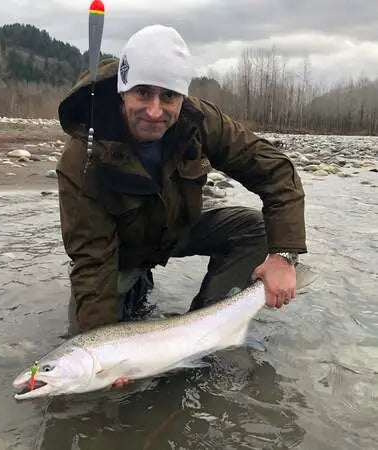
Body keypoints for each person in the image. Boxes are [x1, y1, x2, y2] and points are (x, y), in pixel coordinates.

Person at [56, 25, 306, 335]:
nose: (154, 111)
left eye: (169, 96)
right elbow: (92, 262)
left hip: (175, 228)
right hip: (119, 253)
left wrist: (283, 256)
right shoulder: (82, 157)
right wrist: (98, 336)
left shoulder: (199, 121)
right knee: (87, 343)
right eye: (143, 92)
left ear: (182, 98)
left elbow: (276, 171)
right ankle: (136, 287)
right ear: (123, 91)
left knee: (255, 229)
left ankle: (209, 328)